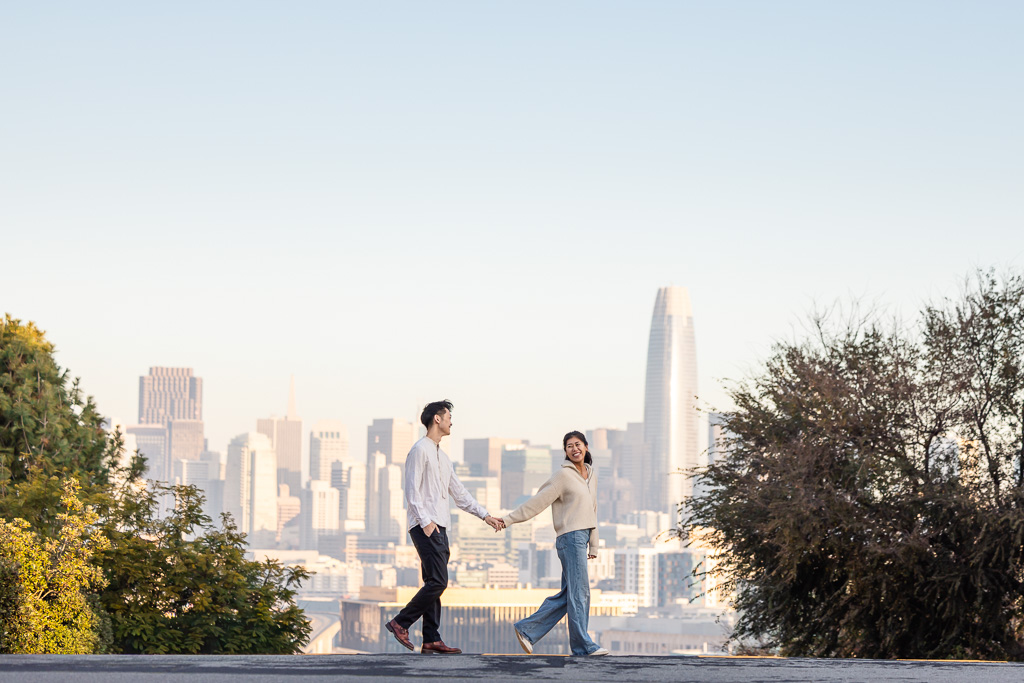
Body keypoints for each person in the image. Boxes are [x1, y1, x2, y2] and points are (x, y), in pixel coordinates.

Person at [385, 400, 505, 654]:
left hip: (440, 526)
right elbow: (411, 491)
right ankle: (401, 622)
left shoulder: (443, 457)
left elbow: (460, 494)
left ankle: (431, 638)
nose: (452, 421)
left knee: (432, 581)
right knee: (439, 582)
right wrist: (427, 523)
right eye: (449, 416)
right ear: (437, 419)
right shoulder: (419, 450)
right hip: (425, 526)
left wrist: (485, 516)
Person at [497, 431, 609, 656]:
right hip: (569, 538)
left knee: (571, 593)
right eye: (569, 446)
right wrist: (507, 520)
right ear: (565, 451)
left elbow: (593, 510)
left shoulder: (591, 474)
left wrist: (594, 545)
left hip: (582, 538)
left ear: (586, 447)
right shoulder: (562, 476)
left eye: (578, 444)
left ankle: (527, 629)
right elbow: (537, 502)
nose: (574, 448)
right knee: (580, 593)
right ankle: (583, 646)